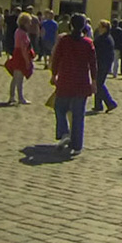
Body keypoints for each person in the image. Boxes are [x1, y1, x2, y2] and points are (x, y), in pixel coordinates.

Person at [49, 15, 96, 156]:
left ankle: (64, 132)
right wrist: (94, 81)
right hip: (81, 83)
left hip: (65, 80)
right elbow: (93, 64)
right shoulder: (88, 43)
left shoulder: (64, 41)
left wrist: (53, 74)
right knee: (78, 115)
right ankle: (77, 145)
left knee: (59, 108)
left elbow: (56, 58)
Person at [5, 16, 35, 104]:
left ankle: (12, 96)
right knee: (19, 78)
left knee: (15, 78)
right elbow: (23, 48)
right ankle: (20, 98)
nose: (30, 24)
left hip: (17, 53)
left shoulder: (18, 31)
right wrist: (27, 61)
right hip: (20, 56)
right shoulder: (22, 33)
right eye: (29, 22)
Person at [91, 20, 119, 113]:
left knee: (99, 84)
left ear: (105, 28)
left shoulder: (105, 39)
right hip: (101, 63)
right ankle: (98, 105)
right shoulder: (104, 38)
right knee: (98, 83)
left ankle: (110, 102)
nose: (98, 28)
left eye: (100, 26)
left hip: (102, 64)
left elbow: (99, 51)